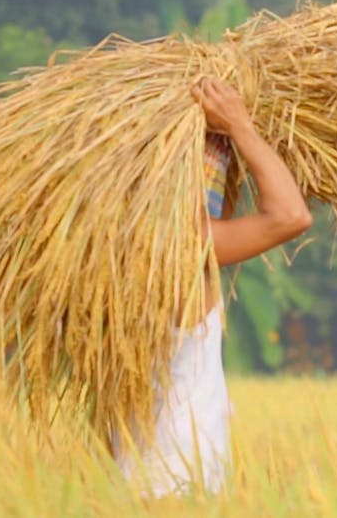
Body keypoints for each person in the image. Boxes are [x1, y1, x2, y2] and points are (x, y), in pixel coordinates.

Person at [112, 77, 312, 497]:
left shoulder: (107, 247)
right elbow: (291, 215)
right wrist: (240, 127)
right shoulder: (180, 243)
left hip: (131, 477)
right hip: (180, 479)